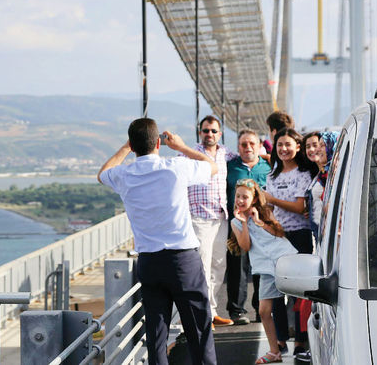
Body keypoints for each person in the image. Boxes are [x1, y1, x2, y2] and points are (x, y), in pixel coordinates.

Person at [98, 118, 217, 365]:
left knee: (156, 334)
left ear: (133, 144)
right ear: (158, 144)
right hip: (183, 260)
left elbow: (102, 174)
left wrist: (125, 148)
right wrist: (182, 147)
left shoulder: (124, 174)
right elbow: (211, 166)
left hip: (149, 262)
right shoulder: (177, 167)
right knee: (198, 329)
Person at [229, 179, 297, 364]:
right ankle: (274, 351)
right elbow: (245, 245)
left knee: (300, 301)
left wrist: (258, 221)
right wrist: (244, 223)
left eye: (245, 197)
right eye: (238, 196)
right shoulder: (235, 222)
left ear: (254, 199)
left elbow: (279, 233)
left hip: (285, 260)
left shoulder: (265, 212)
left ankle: (302, 342)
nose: (241, 200)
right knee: (264, 311)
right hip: (266, 269)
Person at [263, 128, 313, 361]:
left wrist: (272, 200)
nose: (283, 149)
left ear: (297, 147)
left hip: (299, 235)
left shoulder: (304, 173)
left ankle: (301, 340)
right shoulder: (272, 176)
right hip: (278, 235)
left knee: (299, 292)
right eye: (279, 144)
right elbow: (268, 209)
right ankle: (281, 339)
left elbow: (300, 207)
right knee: (277, 290)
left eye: (288, 144)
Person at [185, 115, 236, 327]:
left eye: (214, 131)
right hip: (200, 218)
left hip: (220, 217)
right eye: (206, 130)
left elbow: (249, 156)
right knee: (203, 267)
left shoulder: (225, 154)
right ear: (200, 132)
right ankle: (202, 316)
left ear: (220, 134)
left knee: (218, 266)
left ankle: (212, 311)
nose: (210, 134)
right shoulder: (189, 155)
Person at [225, 129, 271, 325]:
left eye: (252, 143)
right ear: (238, 147)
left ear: (259, 145)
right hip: (237, 223)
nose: (248, 147)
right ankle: (237, 310)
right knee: (237, 267)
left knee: (261, 266)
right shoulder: (230, 167)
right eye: (244, 144)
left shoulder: (268, 166)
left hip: (261, 224)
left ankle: (260, 307)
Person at [303, 131, 340, 237]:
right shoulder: (321, 174)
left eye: (321, 145)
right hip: (320, 233)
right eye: (307, 146)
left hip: (329, 235)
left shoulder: (333, 173)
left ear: (332, 146)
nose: (315, 149)